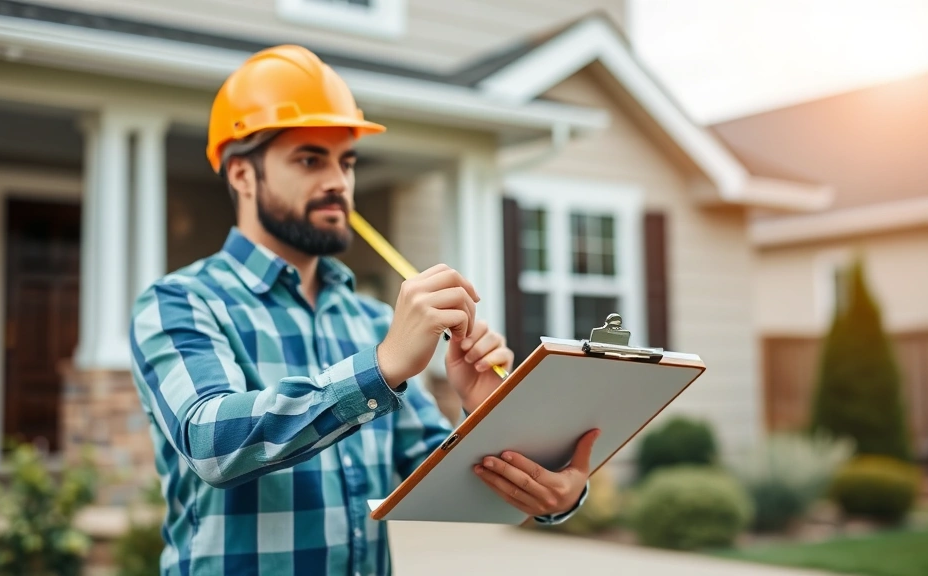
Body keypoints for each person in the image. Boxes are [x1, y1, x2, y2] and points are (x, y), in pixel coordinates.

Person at [129, 44, 598, 576]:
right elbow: (210, 445)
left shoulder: (374, 322)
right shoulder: (179, 302)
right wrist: (380, 368)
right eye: (310, 159)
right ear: (241, 174)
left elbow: (435, 481)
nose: (338, 182)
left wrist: (488, 414)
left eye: (346, 162)